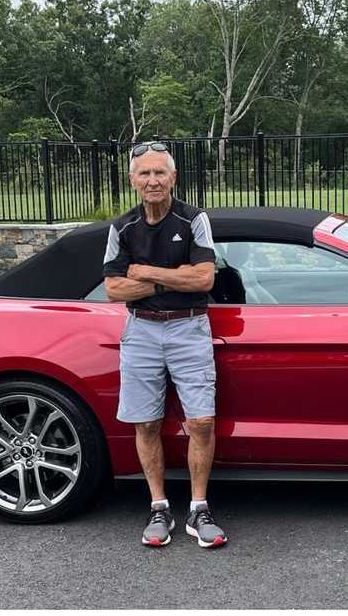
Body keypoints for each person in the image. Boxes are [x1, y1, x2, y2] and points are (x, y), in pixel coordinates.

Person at [102, 141, 227, 549]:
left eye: (160, 173)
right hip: (142, 331)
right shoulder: (121, 227)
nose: (153, 180)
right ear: (133, 180)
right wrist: (171, 277)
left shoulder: (193, 220)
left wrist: (148, 274)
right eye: (145, 173)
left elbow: (204, 279)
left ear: (173, 177)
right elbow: (113, 289)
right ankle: (159, 507)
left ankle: (198, 508)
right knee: (147, 422)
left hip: (189, 329)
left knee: (202, 422)